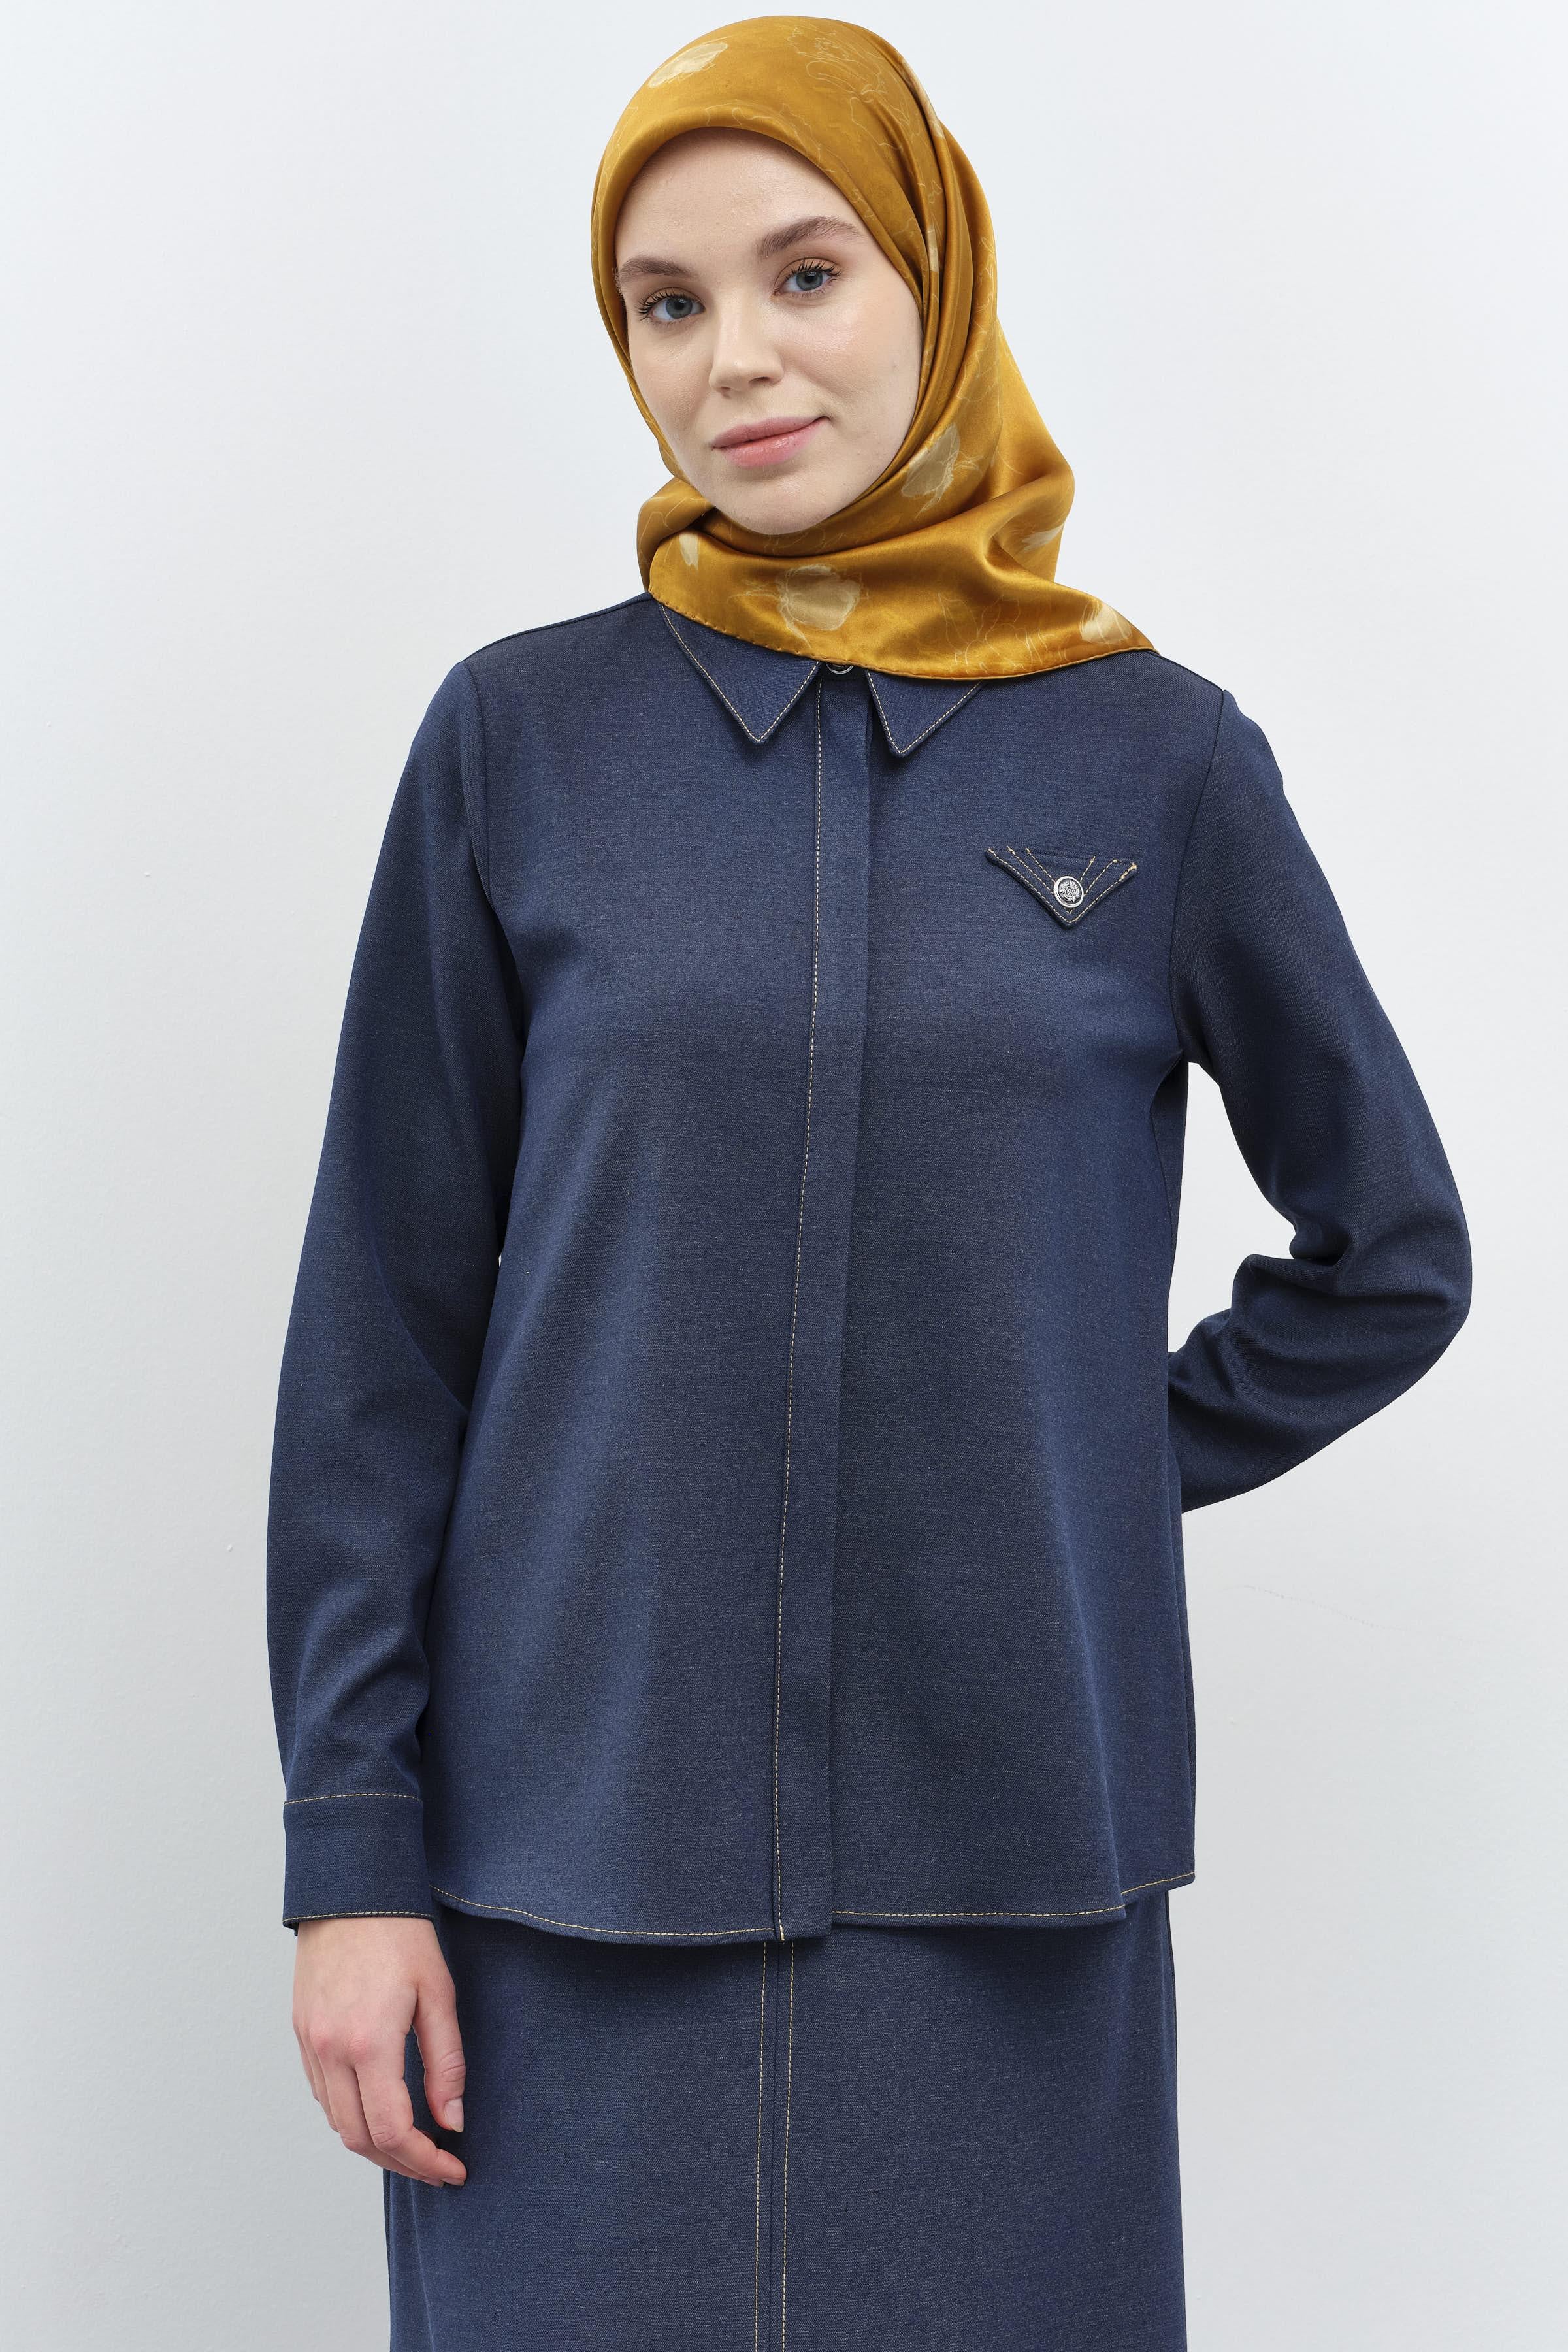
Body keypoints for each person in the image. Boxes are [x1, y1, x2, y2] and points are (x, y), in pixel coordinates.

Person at [267, 18, 1471, 2349]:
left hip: (1009, 1857)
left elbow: (1391, 1254)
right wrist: (351, 1862)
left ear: (936, 279)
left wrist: (1081, 1459)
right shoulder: (518, 743)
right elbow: (378, 1343)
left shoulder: (1158, 761)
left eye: (804, 273)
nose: (736, 357)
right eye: (669, 302)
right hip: (563, 1866)